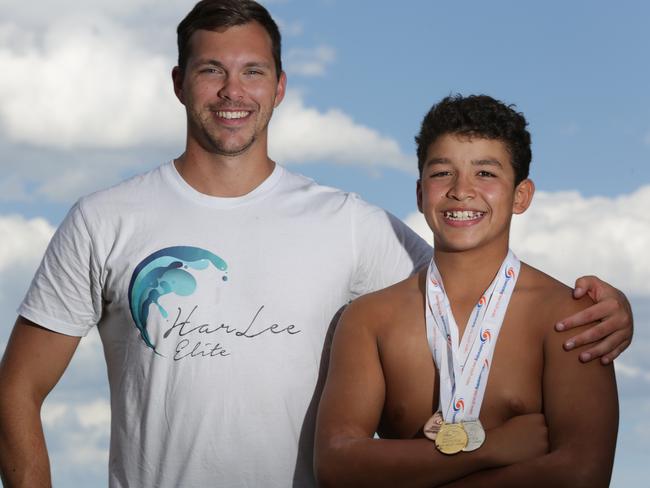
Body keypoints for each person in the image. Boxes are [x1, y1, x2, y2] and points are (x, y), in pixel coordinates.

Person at [0, 1, 630, 487]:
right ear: (178, 81)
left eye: (252, 71)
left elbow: (469, 279)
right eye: (210, 70)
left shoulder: (348, 223)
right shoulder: (103, 219)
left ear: (279, 87)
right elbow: (16, 391)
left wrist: (610, 307)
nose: (231, 92)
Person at [314, 95, 619, 487]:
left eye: (486, 174)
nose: (462, 190)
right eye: (442, 173)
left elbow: (583, 474)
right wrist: (488, 447)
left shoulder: (569, 317)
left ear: (521, 196)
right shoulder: (369, 319)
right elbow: (336, 466)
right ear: (421, 193)